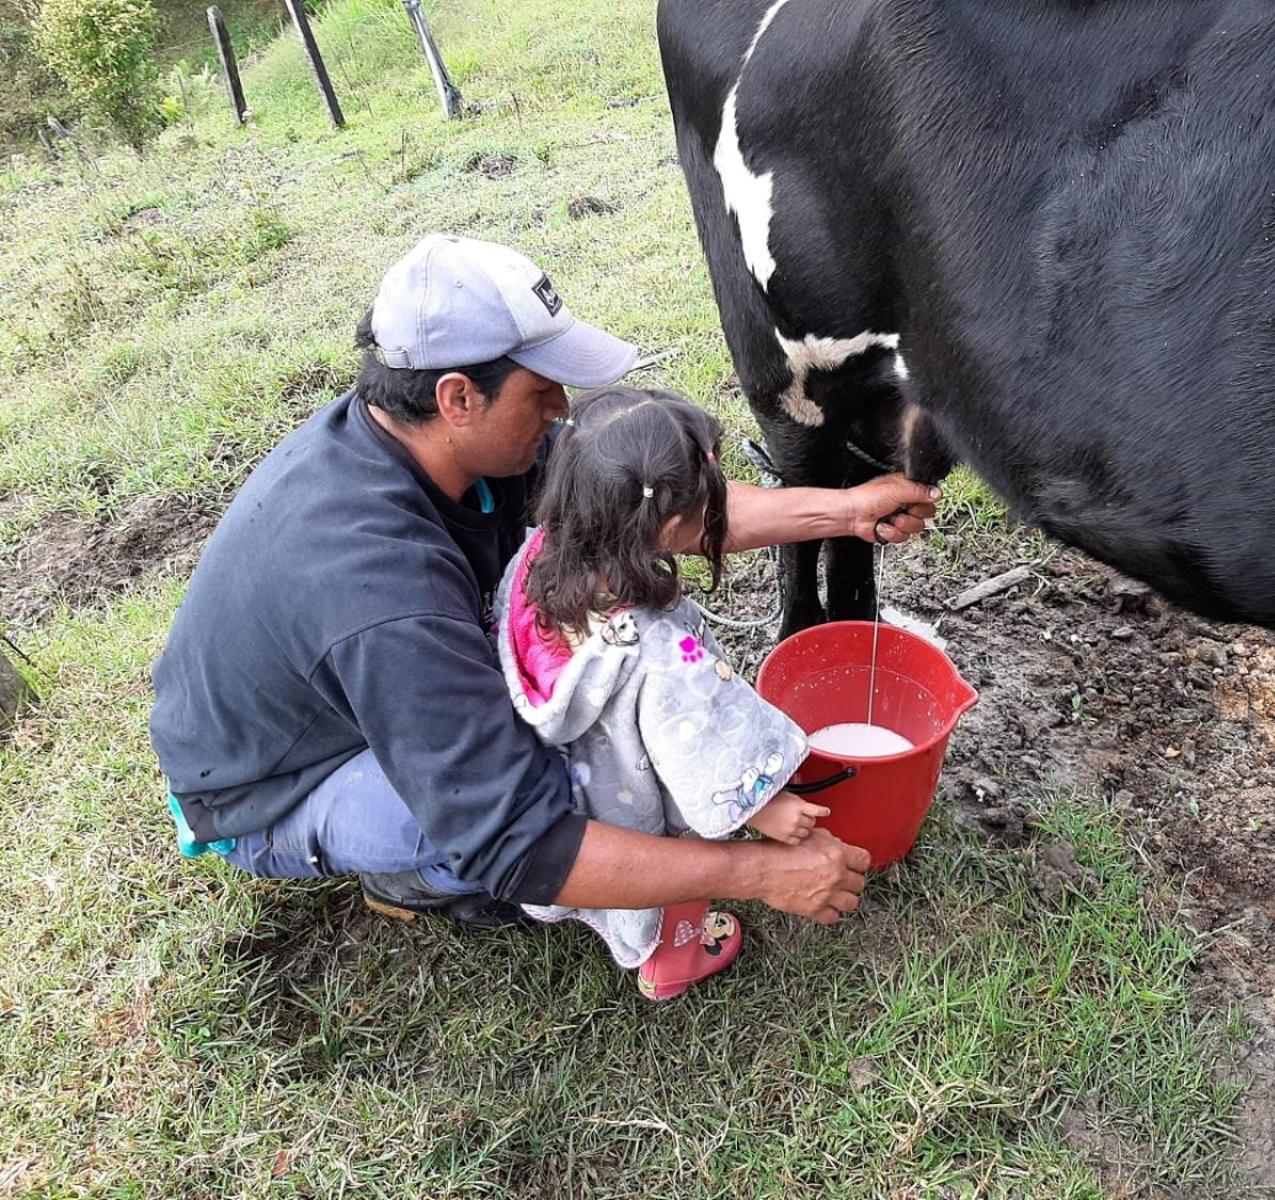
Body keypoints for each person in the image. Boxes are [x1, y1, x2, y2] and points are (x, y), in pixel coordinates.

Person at [148, 233, 939, 935]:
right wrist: (761, 874)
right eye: (542, 390)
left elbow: (647, 513)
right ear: (458, 397)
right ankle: (412, 875)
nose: (562, 409)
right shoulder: (380, 585)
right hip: (278, 786)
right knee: (576, 787)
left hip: (373, 685)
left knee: (584, 725)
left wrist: (845, 510)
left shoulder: (446, 442)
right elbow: (524, 840)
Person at [496, 386, 832, 999]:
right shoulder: (665, 654)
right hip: (641, 792)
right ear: (672, 528)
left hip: (584, 781)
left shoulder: (535, 559)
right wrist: (762, 805)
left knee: (625, 855)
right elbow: (706, 744)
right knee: (674, 868)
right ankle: (674, 961)